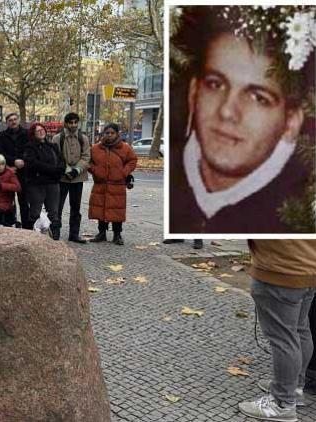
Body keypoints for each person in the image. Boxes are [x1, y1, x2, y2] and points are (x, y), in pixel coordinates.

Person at [169, 6, 313, 234]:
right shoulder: (172, 178)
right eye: (215, 84)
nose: (227, 111)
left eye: (258, 98)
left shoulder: (299, 211)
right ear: (194, 92)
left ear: (291, 122)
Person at [237, 240, 316, 421]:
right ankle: (294, 388)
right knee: (299, 329)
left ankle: (282, 403)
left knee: (284, 338)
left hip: (280, 270)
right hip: (308, 267)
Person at [88, 123, 137, 245]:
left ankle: (117, 234)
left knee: (117, 210)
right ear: (103, 134)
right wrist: (95, 171)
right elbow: (88, 162)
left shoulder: (125, 148)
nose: (109, 135)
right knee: (101, 208)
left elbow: (132, 160)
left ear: (117, 134)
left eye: (112, 133)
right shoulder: (95, 148)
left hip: (117, 184)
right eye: (107, 133)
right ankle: (101, 233)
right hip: (101, 184)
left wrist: (123, 172)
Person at [50, 113, 90, 243]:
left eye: (75, 122)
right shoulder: (57, 138)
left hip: (78, 178)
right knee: (57, 206)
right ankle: (55, 233)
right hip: (62, 177)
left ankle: (74, 234)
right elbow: (56, 156)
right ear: (65, 123)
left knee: (76, 207)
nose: (73, 125)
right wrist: (67, 169)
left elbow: (86, 156)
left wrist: (77, 170)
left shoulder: (83, 138)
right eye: (70, 122)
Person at [0, 112, 30, 228]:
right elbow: (0, 152)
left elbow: (29, 150)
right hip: (8, 171)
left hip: (23, 172)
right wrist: (13, 163)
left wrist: (21, 162)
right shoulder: (2, 135)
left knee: (24, 202)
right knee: (7, 201)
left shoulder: (27, 133)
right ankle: (8, 225)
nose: (13, 122)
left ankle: (26, 227)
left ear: (18, 120)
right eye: (10, 120)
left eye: (15, 119)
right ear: (7, 123)